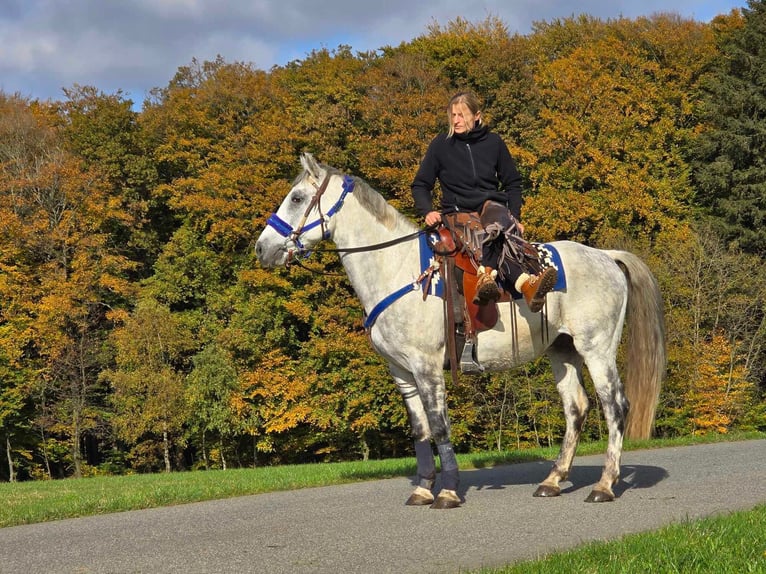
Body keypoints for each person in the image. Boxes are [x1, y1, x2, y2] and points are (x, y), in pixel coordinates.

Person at [411, 91, 556, 312]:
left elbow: (513, 182)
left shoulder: (494, 142)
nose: (456, 120)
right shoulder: (441, 145)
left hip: (492, 206)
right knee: (481, 235)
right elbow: (421, 184)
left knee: (499, 228)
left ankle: (487, 276)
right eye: (453, 115)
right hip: (458, 212)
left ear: (477, 116)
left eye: (461, 115)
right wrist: (427, 210)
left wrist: (515, 216)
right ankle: (525, 284)